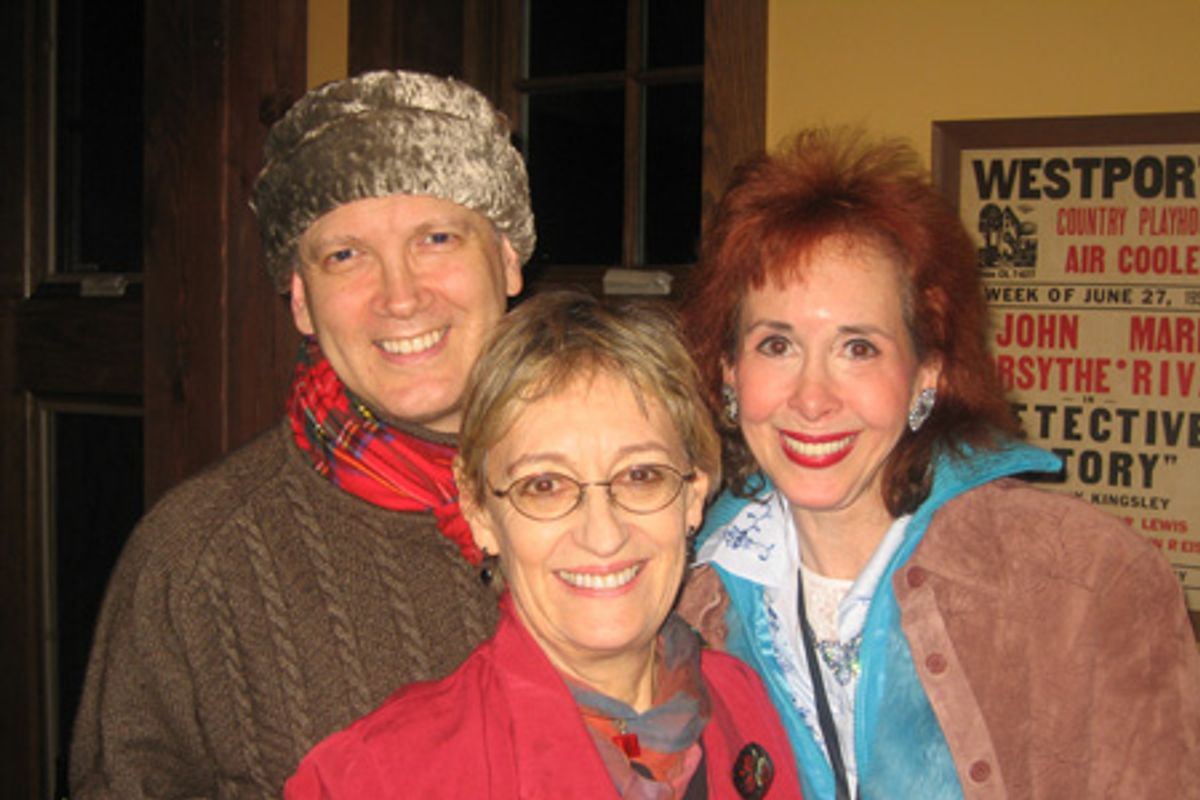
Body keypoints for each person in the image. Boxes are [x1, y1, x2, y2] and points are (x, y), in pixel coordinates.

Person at [676, 127, 1200, 799]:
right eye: (776, 344)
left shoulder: (1088, 580)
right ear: (728, 370)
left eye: (858, 348)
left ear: (928, 371)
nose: (811, 398)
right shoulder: (685, 590)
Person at [70, 70, 535, 797]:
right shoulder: (197, 558)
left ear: (507, 258)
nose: (402, 294)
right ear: (299, 298)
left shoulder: (628, 497)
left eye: (437, 237)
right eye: (344, 255)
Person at [284, 290, 803, 799]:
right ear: (481, 510)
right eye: (545, 485)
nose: (603, 535)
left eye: (641, 475)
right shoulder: (377, 778)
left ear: (692, 495)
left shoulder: (744, 699)